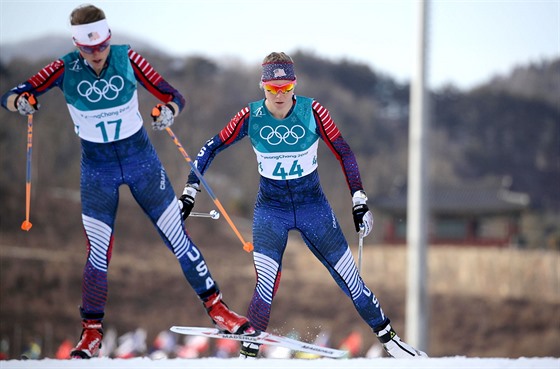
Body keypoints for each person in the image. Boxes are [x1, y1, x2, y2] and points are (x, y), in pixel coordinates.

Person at [1, 4, 254, 359]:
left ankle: (219, 311)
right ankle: (90, 333)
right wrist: (21, 102)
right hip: (97, 171)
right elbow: (12, 94)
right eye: (89, 50)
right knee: (98, 254)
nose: (97, 55)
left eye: (102, 46)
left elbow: (174, 96)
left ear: (109, 39)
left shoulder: (128, 58)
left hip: (142, 163)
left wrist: (167, 112)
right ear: (78, 47)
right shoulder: (63, 67)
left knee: (178, 238)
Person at [179, 52, 427, 359]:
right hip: (271, 211)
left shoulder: (314, 111)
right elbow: (211, 147)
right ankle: (247, 356)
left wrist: (359, 200)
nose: (280, 95)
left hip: (314, 208)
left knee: (351, 279)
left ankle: (392, 343)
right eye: (273, 89)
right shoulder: (250, 116)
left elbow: (344, 152)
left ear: (294, 85)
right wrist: (190, 191)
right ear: (262, 87)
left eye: (286, 88)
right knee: (266, 282)